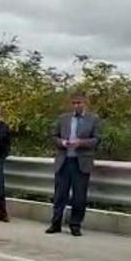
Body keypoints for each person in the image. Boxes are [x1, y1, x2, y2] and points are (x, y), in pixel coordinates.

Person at [46, 92, 100, 237]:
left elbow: (97, 139)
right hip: (64, 161)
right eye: (74, 103)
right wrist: (62, 142)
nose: (76, 105)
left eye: (79, 103)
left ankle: (75, 224)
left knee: (79, 196)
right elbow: (53, 136)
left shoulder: (93, 119)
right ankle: (55, 223)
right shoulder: (63, 118)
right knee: (60, 194)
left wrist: (81, 143)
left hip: (81, 162)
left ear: (84, 103)